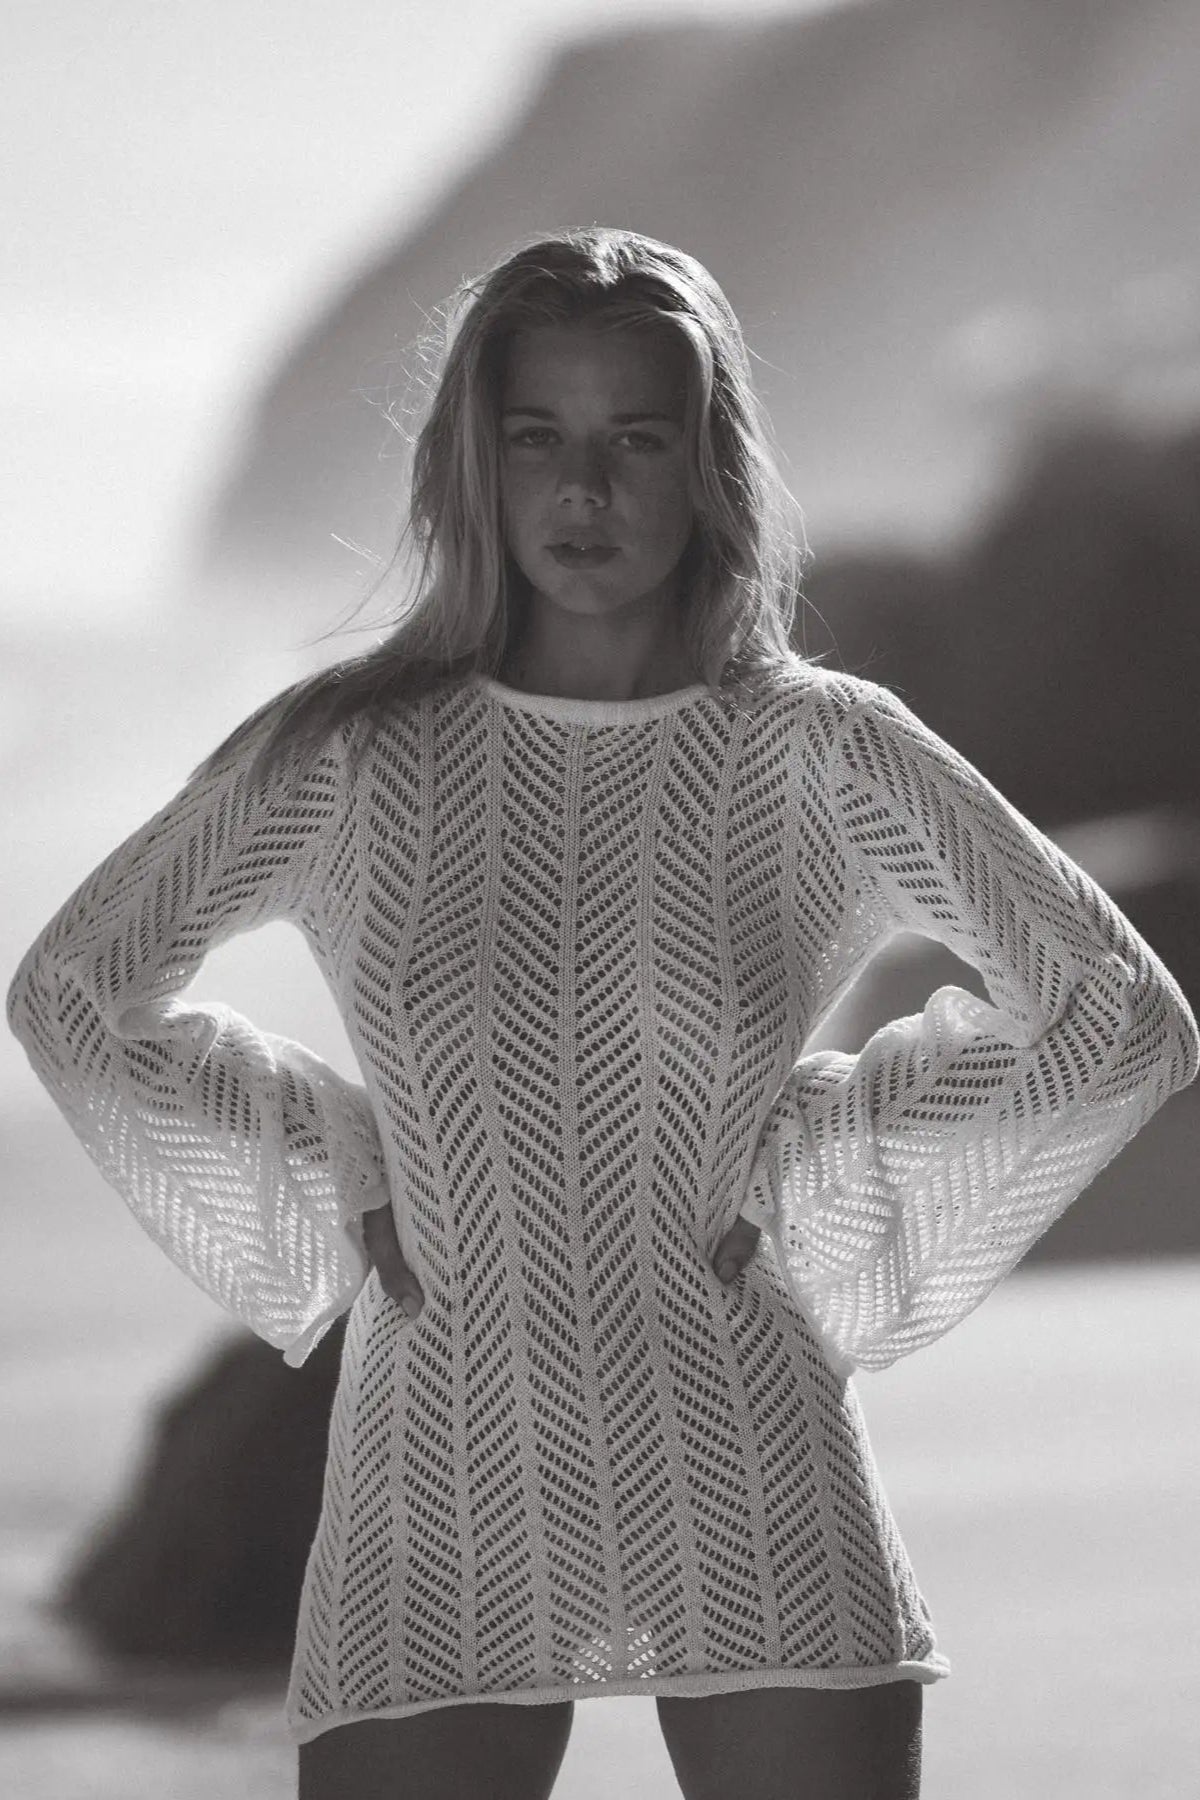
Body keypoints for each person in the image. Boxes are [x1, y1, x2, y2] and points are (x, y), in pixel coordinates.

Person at [7, 226, 1197, 1800]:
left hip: (742, 1433)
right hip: (436, 1457)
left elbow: (1119, 1016)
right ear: (472, 468)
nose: (585, 492)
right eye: (538, 438)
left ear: (709, 467)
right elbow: (74, 989)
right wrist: (349, 1165)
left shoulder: (820, 749)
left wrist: (812, 1165)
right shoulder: (351, 754)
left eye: (638, 439)